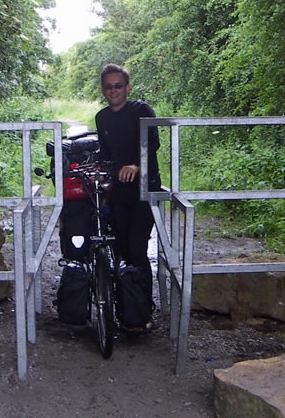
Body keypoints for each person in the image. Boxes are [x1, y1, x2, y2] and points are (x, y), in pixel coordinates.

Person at [95, 63, 161, 333]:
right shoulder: (102, 117)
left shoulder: (141, 110)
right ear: (103, 90)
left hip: (145, 189)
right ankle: (124, 308)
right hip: (119, 191)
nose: (113, 91)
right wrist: (100, 173)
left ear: (127, 87)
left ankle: (144, 310)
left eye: (118, 86)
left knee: (137, 249)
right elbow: (105, 153)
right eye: (108, 87)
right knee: (119, 248)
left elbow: (153, 141)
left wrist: (136, 165)